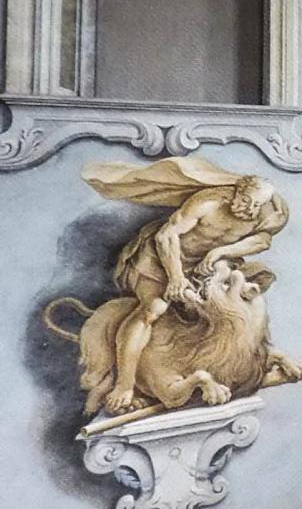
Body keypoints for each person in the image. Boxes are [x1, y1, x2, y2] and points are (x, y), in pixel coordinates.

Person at [80, 158, 289, 413]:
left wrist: (221, 252)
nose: (250, 209)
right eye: (246, 201)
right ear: (237, 191)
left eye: (257, 205)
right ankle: (125, 384)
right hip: (160, 259)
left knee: (231, 310)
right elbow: (166, 236)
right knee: (153, 309)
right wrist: (176, 277)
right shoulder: (208, 203)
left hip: (204, 266)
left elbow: (263, 241)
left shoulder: (266, 213)